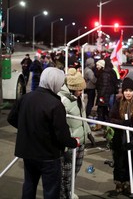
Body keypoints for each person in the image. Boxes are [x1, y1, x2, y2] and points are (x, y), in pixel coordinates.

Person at [7, 67, 80, 199]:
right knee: (51, 190)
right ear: (54, 82)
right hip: (48, 155)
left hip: (28, 152)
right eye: (60, 82)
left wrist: (27, 129)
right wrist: (74, 142)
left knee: (29, 185)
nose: (61, 85)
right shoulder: (55, 104)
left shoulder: (26, 98)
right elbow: (61, 135)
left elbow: (11, 118)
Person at [58, 68, 95, 199]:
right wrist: (66, 144)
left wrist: (88, 133)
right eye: (79, 89)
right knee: (66, 174)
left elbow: (82, 117)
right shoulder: (61, 100)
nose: (81, 92)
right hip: (70, 144)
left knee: (75, 171)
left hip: (81, 141)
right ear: (72, 88)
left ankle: (69, 192)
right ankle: (64, 195)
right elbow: (59, 126)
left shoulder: (78, 98)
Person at [109, 77, 133, 194]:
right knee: (119, 163)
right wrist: (122, 123)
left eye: (130, 91)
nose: (128, 93)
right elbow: (110, 119)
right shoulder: (117, 104)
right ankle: (119, 183)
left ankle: (130, 182)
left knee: (132, 164)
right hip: (119, 140)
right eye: (125, 90)